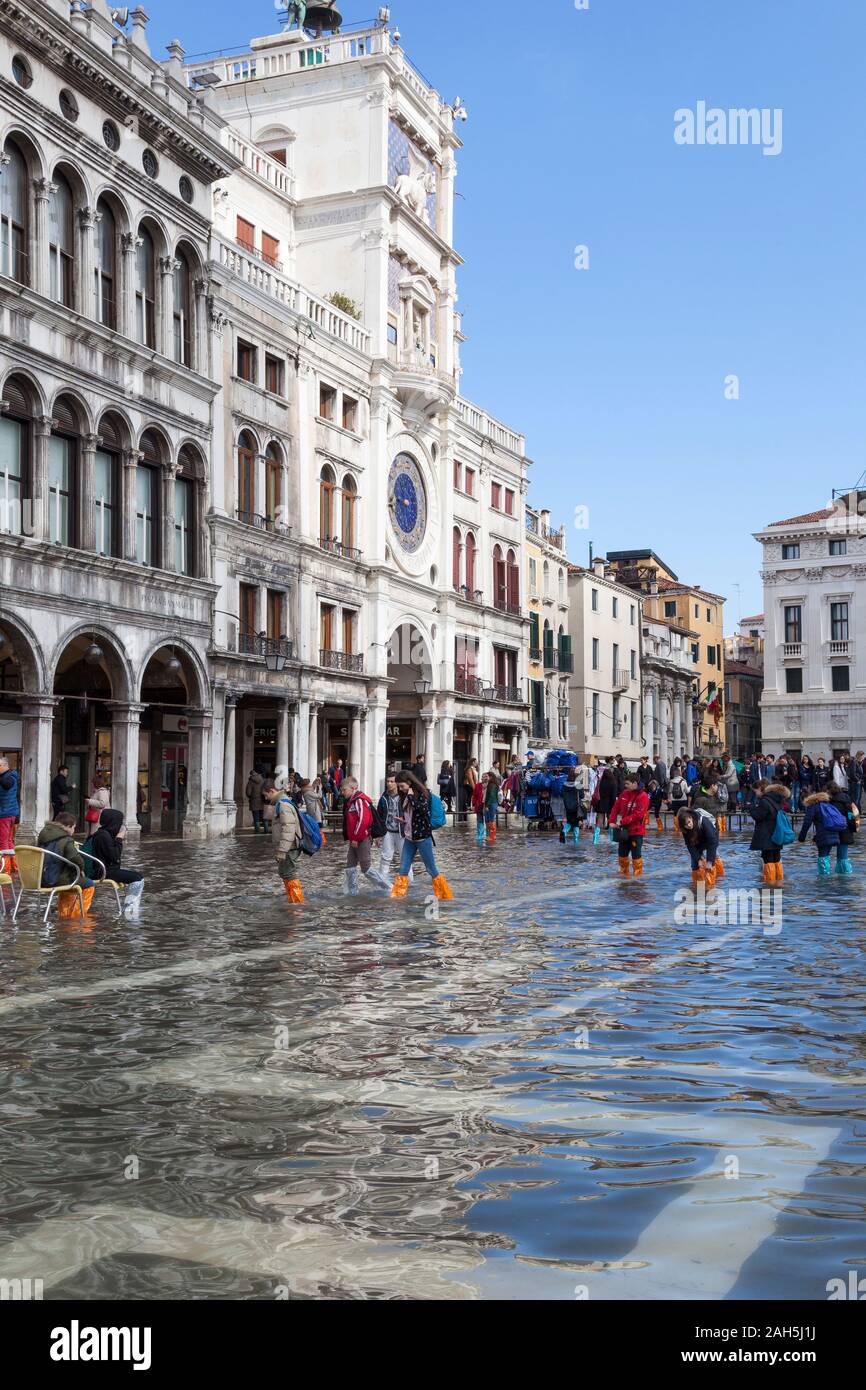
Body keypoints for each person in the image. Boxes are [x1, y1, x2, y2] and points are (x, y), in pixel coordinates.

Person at [391, 770, 453, 901]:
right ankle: (397, 896)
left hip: (423, 838)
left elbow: (423, 811)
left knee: (431, 869)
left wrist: (411, 798)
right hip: (409, 837)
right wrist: (403, 819)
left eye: (402, 786)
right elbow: (412, 816)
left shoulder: (422, 794)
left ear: (409, 782)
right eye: (399, 787)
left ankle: (445, 896)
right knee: (403, 868)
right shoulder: (405, 796)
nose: (400, 789)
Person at [87, 809, 145, 917]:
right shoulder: (103, 836)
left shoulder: (103, 833)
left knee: (136, 877)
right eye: (120, 822)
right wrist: (119, 839)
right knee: (137, 879)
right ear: (113, 822)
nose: (121, 825)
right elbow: (115, 856)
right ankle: (129, 911)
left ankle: (131, 907)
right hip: (102, 872)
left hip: (106, 869)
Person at [37, 811, 96, 917]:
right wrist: (81, 868)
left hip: (40, 879)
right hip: (56, 880)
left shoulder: (43, 836)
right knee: (89, 884)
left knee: (68, 878)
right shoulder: (65, 839)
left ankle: (64, 913)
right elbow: (75, 859)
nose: (73, 830)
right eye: (73, 827)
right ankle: (76, 915)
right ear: (68, 826)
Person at [341, 777, 391, 894]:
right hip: (355, 839)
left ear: (353, 788)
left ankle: (389, 887)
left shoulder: (359, 801)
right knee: (350, 867)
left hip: (362, 838)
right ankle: (352, 892)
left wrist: (356, 838)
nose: (342, 792)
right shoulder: (351, 801)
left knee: (366, 868)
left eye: (344, 790)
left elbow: (363, 820)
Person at [264, 780, 305, 904]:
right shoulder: (282, 803)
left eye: (266, 795)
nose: (265, 798)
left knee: (290, 873)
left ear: (272, 791)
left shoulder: (283, 805)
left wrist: (282, 850)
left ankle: (297, 904)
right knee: (285, 873)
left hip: (290, 847)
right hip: (289, 846)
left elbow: (288, 829)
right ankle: (292, 901)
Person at [798, 791, 851, 876]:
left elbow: (807, 823)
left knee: (823, 857)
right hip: (834, 835)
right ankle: (834, 876)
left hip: (823, 836)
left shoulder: (813, 807)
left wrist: (801, 837)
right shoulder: (829, 806)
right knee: (826, 857)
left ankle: (824, 880)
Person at [749, 780, 790, 884]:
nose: (755, 793)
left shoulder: (765, 801)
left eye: (755, 791)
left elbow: (758, 816)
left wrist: (751, 808)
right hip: (776, 835)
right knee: (776, 858)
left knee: (768, 860)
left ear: (761, 789)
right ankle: (779, 881)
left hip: (766, 835)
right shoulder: (777, 800)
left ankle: (769, 884)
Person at [610, 774, 650, 877]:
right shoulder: (624, 794)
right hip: (624, 831)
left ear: (635, 783)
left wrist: (622, 821)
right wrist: (611, 821)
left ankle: (637, 880)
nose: (625, 786)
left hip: (636, 832)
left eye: (627, 784)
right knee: (622, 856)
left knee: (636, 857)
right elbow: (616, 807)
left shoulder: (643, 796)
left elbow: (638, 815)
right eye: (625, 784)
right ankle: (624, 878)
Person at [676, 805, 722, 890]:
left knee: (713, 861)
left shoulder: (703, 821)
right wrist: (698, 859)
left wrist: (709, 861)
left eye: (689, 822)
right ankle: (697, 886)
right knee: (695, 865)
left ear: (691, 817)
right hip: (697, 842)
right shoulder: (685, 829)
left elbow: (712, 842)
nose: (689, 826)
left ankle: (713, 884)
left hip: (711, 838)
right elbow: (690, 846)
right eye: (686, 825)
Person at [377, 775, 412, 881]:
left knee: (405, 858)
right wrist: (377, 835)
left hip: (402, 832)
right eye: (387, 781)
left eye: (392, 781)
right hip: (387, 831)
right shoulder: (383, 798)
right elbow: (379, 816)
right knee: (385, 857)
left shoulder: (405, 796)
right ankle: (382, 882)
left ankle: (410, 882)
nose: (389, 783)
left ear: (397, 783)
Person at [828, 781, 859, 875]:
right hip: (848, 830)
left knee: (842, 856)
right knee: (843, 854)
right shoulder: (847, 798)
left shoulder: (834, 803)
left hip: (839, 830)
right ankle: (844, 873)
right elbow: (852, 815)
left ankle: (845, 875)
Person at [0, 755, 20, 861]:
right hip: (11, 813)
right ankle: (14, 866)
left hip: (5, 813)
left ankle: (5, 868)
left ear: (5, 765)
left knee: (3, 841)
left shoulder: (8, 777)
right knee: (8, 840)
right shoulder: (11, 776)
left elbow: (7, 784)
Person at [560, 769, 585, 845]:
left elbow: (561, 794)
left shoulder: (564, 785)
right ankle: (576, 841)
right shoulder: (578, 785)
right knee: (576, 823)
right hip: (576, 807)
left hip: (567, 807)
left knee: (569, 822)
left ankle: (564, 831)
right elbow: (582, 795)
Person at [246, 766, 265, 833]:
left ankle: (257, 831)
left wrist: (250, 796)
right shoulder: (263, 780)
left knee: (256, 816)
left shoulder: (251, 781)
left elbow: (248, 792)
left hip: (254, 801)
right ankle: (266, 830)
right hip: (262, 801)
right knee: (264, 816)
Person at [484, 768, 501, 844]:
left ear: (490, 777)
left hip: (492, 803)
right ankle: (489, 835)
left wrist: (487, 805)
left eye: (487, 776)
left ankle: (492, 836)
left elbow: (491, 796)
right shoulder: (490, 784)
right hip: (490, 803)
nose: (486, 778)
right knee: (488, 820)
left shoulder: (492, 785)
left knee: (491, 819)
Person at [472, 772, 488, 846]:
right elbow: (474, 796)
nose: (483, 778)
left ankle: (488, 835)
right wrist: (474, 804)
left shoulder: (490, 786)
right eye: (482, 776)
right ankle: (480, 835)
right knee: (479, 820)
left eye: (485, 776)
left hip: (487, 806)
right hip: (479, 805)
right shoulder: (478, 785)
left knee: (488, 821)